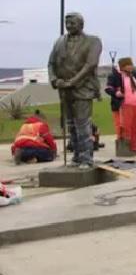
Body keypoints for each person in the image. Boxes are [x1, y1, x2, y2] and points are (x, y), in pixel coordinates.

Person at [48, 12, 102, 169]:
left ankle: (86, 158)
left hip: (83, 89)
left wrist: (74, 81)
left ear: (81, 25)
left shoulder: (93, 41)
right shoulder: (59, 42)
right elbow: (51, 63)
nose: (69, 26)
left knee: (83, 125)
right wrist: (54, 80)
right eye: (67, 23)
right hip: (64, 90)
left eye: (72, 23)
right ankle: (77, 156)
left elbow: (90, 64)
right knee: (71, 125)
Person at [105, 57, 136, 155]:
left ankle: (134, 147)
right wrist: (116, 93)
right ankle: (125, 148)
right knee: (125, 128)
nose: (131, 67)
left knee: (135, 127)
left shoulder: (135, 75)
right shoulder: (114, 75)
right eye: (128, 65)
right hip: (124, 105)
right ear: (122, 66)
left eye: (131, 65)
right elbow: (108, 88)